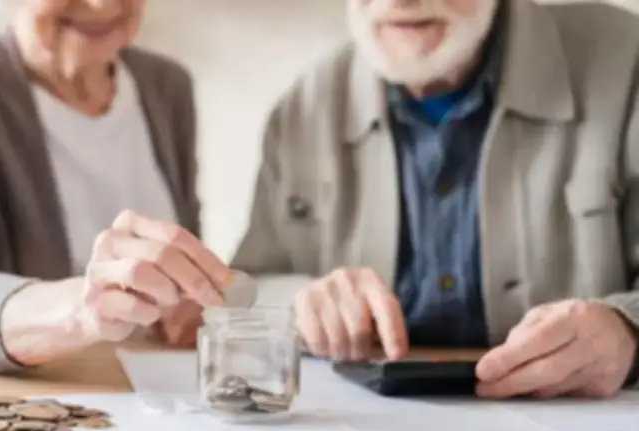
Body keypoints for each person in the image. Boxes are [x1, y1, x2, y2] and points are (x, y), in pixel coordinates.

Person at [231, 0, 639, 399]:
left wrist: (626, 329)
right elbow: (248, 287)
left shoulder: (625, 59)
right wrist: (303, 303)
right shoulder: (306, 104)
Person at [0, 0, 232, 374]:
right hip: (44, 400)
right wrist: (83, 310)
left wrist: (188, 299)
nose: (102, 4)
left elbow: (184, 253)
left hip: (156, 395)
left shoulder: (168, 87)